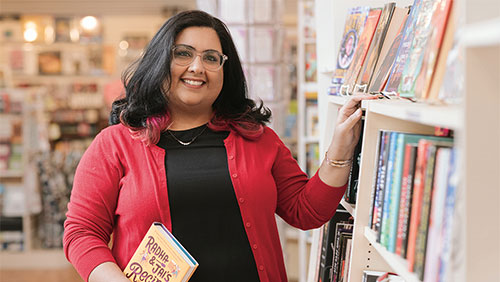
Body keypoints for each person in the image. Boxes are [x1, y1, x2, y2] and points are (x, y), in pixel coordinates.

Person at [63, 10, 377, 282]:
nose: (197, 67)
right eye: (183, 53)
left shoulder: (258, 139)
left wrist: (339, 151)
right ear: (160, 61)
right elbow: (82, 233)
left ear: (224, 72)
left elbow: (306, 211)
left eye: (211, 58)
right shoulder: (115, 144)